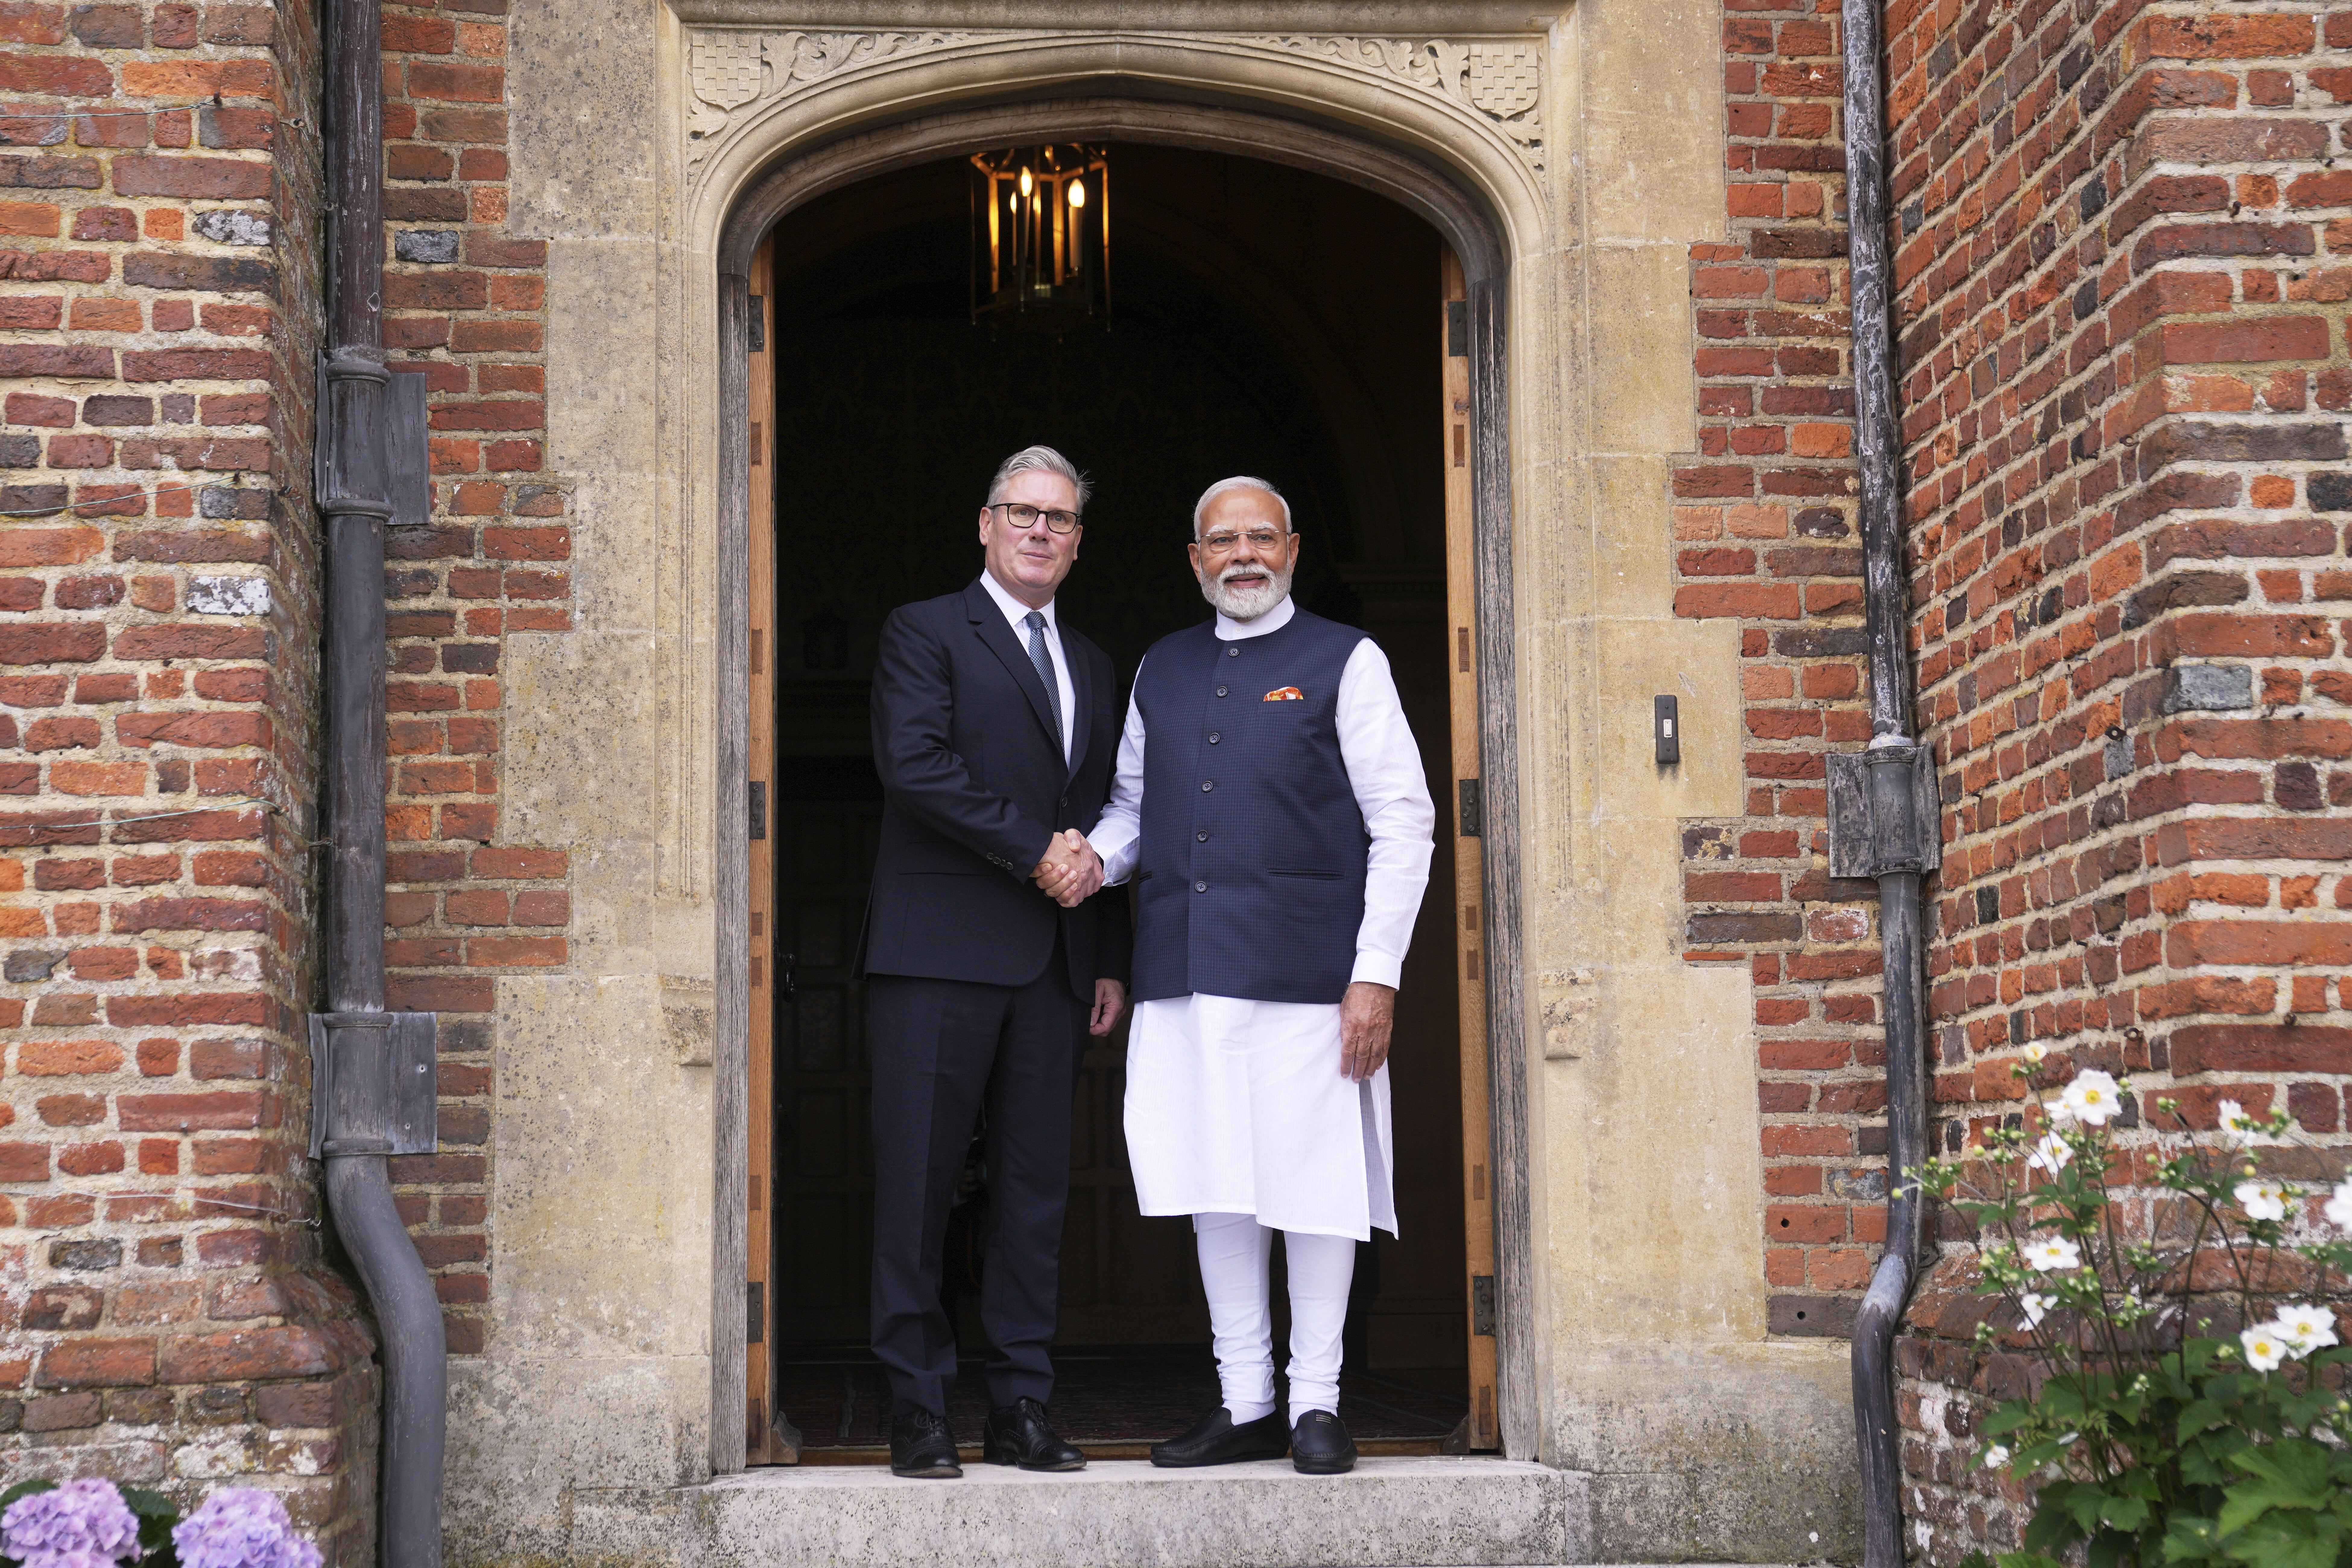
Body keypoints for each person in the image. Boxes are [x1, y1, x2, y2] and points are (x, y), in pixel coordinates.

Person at [1042, 475, 1433, 1475]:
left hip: (1314, 976)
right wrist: (1093, 861)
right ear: (1196, 559)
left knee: (1314, 1185)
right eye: (1224, 541)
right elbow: (1134, 809)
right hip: (1184, 971)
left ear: (1293, 551)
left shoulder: (1349, 659)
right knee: (1215, 1181)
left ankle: (1317, 1403)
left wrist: (1377, 975)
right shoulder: (1162, 667)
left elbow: (1404, 822)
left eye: (1263, 538)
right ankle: (1246, 1398)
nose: (1244, 555)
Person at [854, 445, 1130, 1479]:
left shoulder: (1092, 663)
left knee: (1033, 1194)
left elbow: (1103, 811)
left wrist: (1107, 955)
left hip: (1057, 964)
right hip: (936, 955)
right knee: (918, 1187)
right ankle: (918, 1409)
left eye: (1060, 519)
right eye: (1022, 512)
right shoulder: (926, 630)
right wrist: (1034, 851)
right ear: (985, 524)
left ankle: (1021, 1407)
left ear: (1079, 543)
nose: (1040, 531)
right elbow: (916, 766)